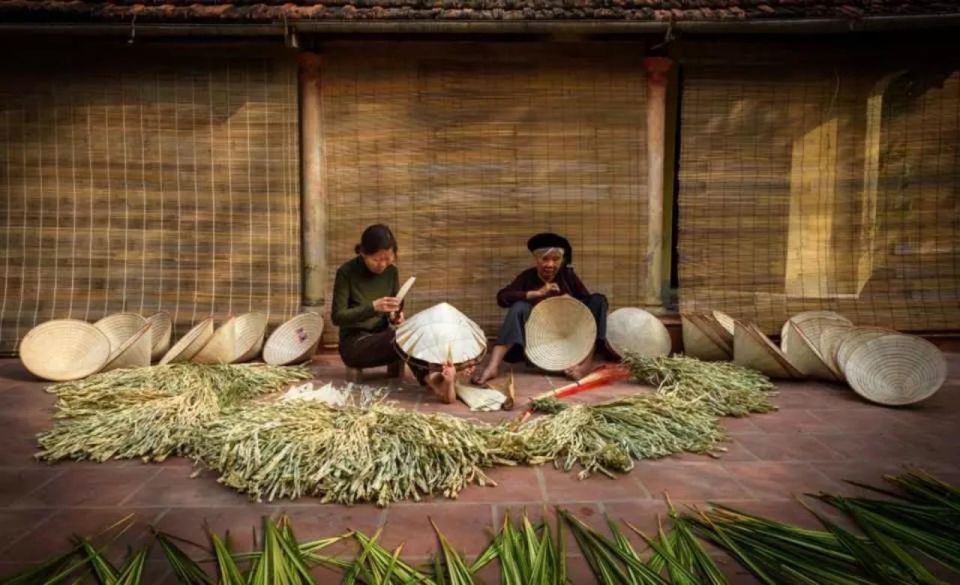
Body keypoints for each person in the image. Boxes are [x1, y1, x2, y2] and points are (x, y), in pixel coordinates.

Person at [331, 224, 457, 402]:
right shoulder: (346, 273)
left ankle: (435, 378)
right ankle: (433, 380)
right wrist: (373, 307)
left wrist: (395, 316)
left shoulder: (392, 272)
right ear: (363, 253)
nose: (383, 264)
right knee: (399, 337)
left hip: (385, 338)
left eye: (388, 258)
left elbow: (396, 306)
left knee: (413, 329)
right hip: (355, 344)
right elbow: (337, 317)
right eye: (376, 259)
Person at [472, 232, 608, 385]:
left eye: (556, 259)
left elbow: (588, 310)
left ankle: (584, 366)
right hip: (538, 345)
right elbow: (502, 297)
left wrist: (572, 301)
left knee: (598, 300)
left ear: (562, 260)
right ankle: (492, 367)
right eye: (545, 259)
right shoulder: (527, 277)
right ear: (536, 260)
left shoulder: (567, 276)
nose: (550, 264)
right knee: (519, 306)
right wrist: (537, 293)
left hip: (570, 339)